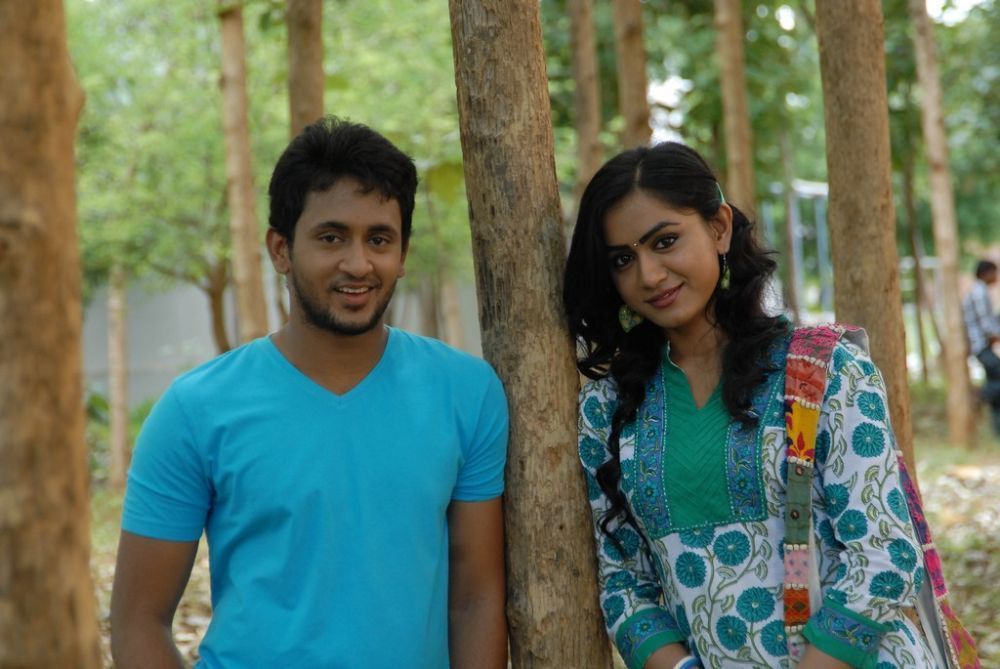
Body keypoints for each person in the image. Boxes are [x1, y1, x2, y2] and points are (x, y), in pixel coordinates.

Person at [110, 117, 509, 668]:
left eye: (379, 239)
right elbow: (138, 621)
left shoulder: (466, 392)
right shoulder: (195, 410)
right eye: (330, 237)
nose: (358, 264)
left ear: (402, 253)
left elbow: (476, 600)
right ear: (280, 249)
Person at [563, 142, 934, 668]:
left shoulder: (823, 370)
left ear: (719, 227)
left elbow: (885, 556)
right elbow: (623, 584)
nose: (648, 275)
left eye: (665, 241)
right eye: (623, 259)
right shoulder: (609, 408)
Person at [963, 259, 1000, 436]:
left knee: (995, 383)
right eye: (994, 272)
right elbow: (985, 324)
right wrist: (996, 335)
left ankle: (997, 429)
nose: (996, 277)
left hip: (983, 345)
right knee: (997, 379)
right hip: (979, 345)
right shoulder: (979, 292)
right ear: (986, 273)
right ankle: (980, 394)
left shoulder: (980, 291)